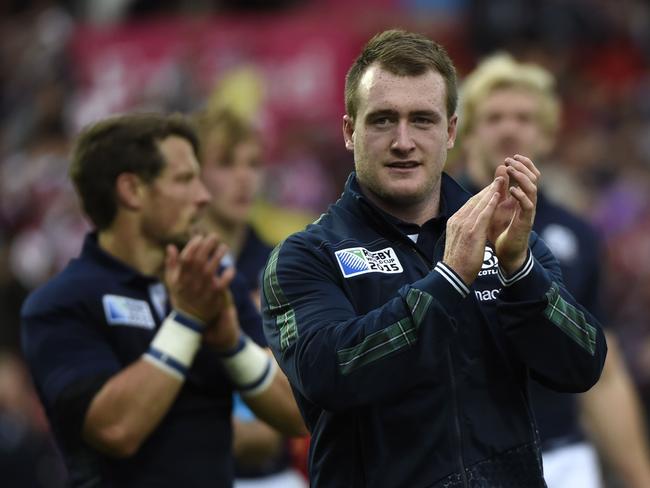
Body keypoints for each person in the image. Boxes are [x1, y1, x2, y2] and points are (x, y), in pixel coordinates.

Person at [261, 29, 607, 487]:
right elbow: (330, 374)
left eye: (422, 120)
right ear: (350, 131)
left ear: (450, 131)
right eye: (383, 120)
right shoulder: (305, 257)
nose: (403, 141)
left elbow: (582, 364)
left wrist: (522, 273)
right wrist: (448, 281)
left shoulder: (507, 242)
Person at [20, 113, 307, 488]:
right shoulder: (60, 303)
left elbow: (298, 412)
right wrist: (186, 321)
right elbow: (116, 429)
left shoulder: (214, 283)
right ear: (132, 190)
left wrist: (232, 346)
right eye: (185, 180)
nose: (202, 196)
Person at [456, 53, 650, 488]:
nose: (509, 128)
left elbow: (604, 370)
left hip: (563, 457)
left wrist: (639, 477)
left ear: (547, 135)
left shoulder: (576, 234)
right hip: (467, 460)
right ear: (464, 133)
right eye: (493, 117)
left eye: (524, 118)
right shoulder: (437, 225)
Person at [195, 108, 308, 488]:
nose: (244, 178)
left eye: (254, 163)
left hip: (269, 474)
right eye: (226, 163)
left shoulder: (284, 264)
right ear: (191, 174)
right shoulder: (164, 267)